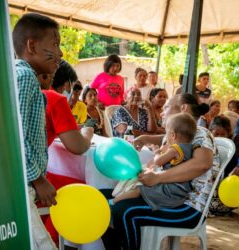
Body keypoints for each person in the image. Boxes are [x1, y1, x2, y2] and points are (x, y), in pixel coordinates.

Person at [101, 93, 219, 250]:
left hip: (187, 205)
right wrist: (146, 138)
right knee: (101, 199)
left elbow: (202, 164)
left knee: (123, 210)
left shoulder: (200, 133)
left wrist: (157, 178)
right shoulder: (181, 135)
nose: (162, 112)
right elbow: (167, 138)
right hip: (165, 195)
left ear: (183, 108)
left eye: (167, 107)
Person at [12, 13, 62, 249]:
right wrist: (37, 178)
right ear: (31, 45)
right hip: (22, 183)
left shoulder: (23, 76)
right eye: (55, 44)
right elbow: (15, 134)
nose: (60, 53)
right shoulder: (25, 77)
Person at [39, 60, 93, 245]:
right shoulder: (55, 99)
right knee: (79, 187)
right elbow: (78, 147)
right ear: (65, 84)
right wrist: (87, 132)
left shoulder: (22, 92)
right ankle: (57, 241)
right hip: (35, 178)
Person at [112, 113, 197, 211]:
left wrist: (157, 152)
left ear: (173, 135)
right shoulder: (190, 148)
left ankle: (114, 202)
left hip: (171, 189)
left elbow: (158, 161)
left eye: (167, 133)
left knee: (139, 188)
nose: (166, 137)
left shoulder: (174, 149)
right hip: (182, 189)